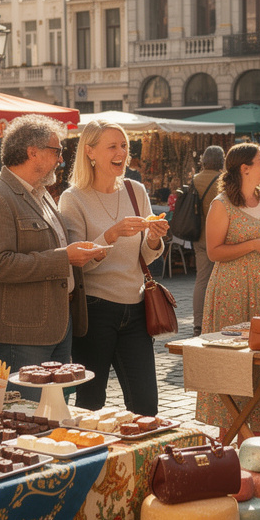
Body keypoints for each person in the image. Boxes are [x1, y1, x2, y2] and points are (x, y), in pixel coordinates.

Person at [0, 114, 108, 402]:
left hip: (56, 323)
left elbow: (54, 244)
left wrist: (81, 250)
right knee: (28, 415)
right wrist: (64, 258)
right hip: (23, 331)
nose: (61, 159)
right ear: (32, 152)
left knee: (55, 409)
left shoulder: (42, 193)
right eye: (57, 151)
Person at [59, 119, 169, 415]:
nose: (121, 152)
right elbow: (76, 266)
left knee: (146, 404)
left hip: (136, 308)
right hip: (94, 311)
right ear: (90, 152)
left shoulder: (135, 190)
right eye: (113, 146)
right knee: (90, 403)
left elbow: (145, 254)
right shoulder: (73, 199)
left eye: (124, 146)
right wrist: (111, 235)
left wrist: (155, 240)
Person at [200, 143, 260, 442]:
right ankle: (227, 442)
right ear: (244, 168)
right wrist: (255, 244)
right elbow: (214, 252)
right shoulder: (221, 204)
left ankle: (258, 442)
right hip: (231, 288)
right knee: (232, 364)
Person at [191, 145, 225, 335]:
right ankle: (216, 320)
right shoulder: (222, 181)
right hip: (219, 238)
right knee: (221, 280)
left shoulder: (195, 179)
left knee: (201, 280)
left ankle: (198, 323)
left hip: (199, 236)